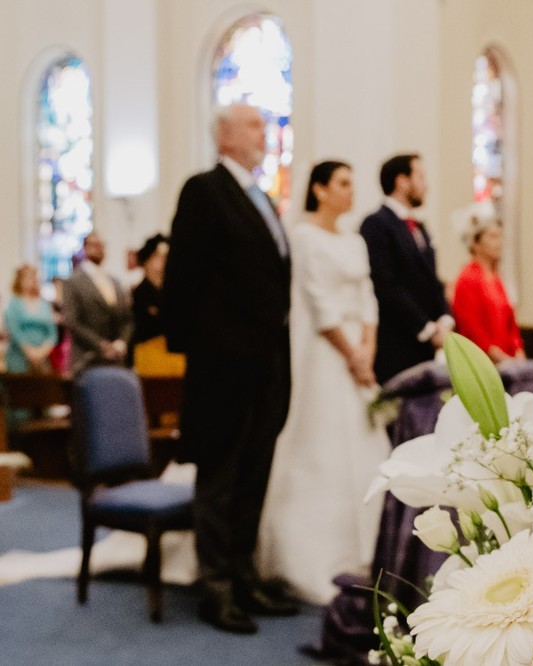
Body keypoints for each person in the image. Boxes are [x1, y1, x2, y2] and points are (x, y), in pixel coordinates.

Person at [162, 102, 297, 635]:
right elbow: (183, 278)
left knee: (253, 477)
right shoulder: (205, 190)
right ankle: (214, 585)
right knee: (219, 480)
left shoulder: (261, 198)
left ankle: (244, 576)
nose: (263, 134)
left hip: (268, 365)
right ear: (224, 135)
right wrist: (200, 349)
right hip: (223, 367)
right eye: (252, 125)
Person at [256, 160, 390, 604]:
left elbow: (368, 294)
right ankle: (312, 558)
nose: (352, 192)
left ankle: (371, 552)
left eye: (353, 183)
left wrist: (368, 347)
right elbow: (316, 299)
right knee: (323, 446)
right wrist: (351, 354)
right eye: (343, 184)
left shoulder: (353, 240)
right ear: (319, 190)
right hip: (327, 352)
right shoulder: (306, 237)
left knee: (368, 445)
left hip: (359, 351)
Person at [360, 153, 453, 384]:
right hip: (397, 343)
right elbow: (385, 284)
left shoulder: (419, 225)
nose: (426, 185)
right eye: (420, 176)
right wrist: (426, 328)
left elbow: (432, 279)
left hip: (425, 347)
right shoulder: (376, 224)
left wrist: (445, 317)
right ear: (402, 182)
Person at [450, 201, 525, 362]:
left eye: (500, 236)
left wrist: (518, 351)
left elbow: (510, 324)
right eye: (492, 236)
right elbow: (471, 329)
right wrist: (500, 358)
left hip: (507, 362)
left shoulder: (496, 277)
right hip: (483, 362)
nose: (499, 242)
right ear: (475, 244)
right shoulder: (467, 279)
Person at [62, 231, 133, 375]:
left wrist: (121, 343)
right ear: (85, 248)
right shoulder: (73, 282)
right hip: (86, 358)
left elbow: (127, 318)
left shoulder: (115, 283)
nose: (98, 249)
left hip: (116, 360)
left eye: (101, 245)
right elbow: (72, 320)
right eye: (94, 245)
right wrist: (101, 345)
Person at [131, 233, 184, 376]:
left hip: (173, 355)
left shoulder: (172, 291)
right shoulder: (140, 292)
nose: (163, 261)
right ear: (147, 260)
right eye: (158, 256)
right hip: (150, 353)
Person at [3, 265, 58, 374]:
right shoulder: (14, 303)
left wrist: (42, 352)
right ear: (19, 280)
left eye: (32, 277)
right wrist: (29, 351)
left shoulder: (44, 304)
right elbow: (14, 330)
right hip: (19, 357)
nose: (30, 281)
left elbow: (52, 333)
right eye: (26, 277)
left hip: (43, 358)